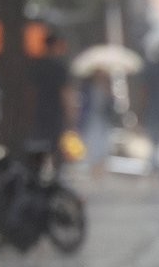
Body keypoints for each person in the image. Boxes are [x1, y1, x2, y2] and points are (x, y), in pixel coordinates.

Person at [27, 32, 76, 171]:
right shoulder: (59, 68)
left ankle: (38, 173)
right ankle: (55, 175)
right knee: (55, 146)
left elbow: (31, 93)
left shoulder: (37, 66)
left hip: (40, 112)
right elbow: (65, 93)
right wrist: (71, 115)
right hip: (55, 113)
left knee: (39, 144)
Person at [77, 68, 113, 178]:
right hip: (91, 119)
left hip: (103, 120)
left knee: (103, 145)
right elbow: (84, 104)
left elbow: (111, 105)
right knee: (92, 144)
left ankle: (100, 171)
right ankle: (93, 170)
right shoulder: (88, 88)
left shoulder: (107, 88)